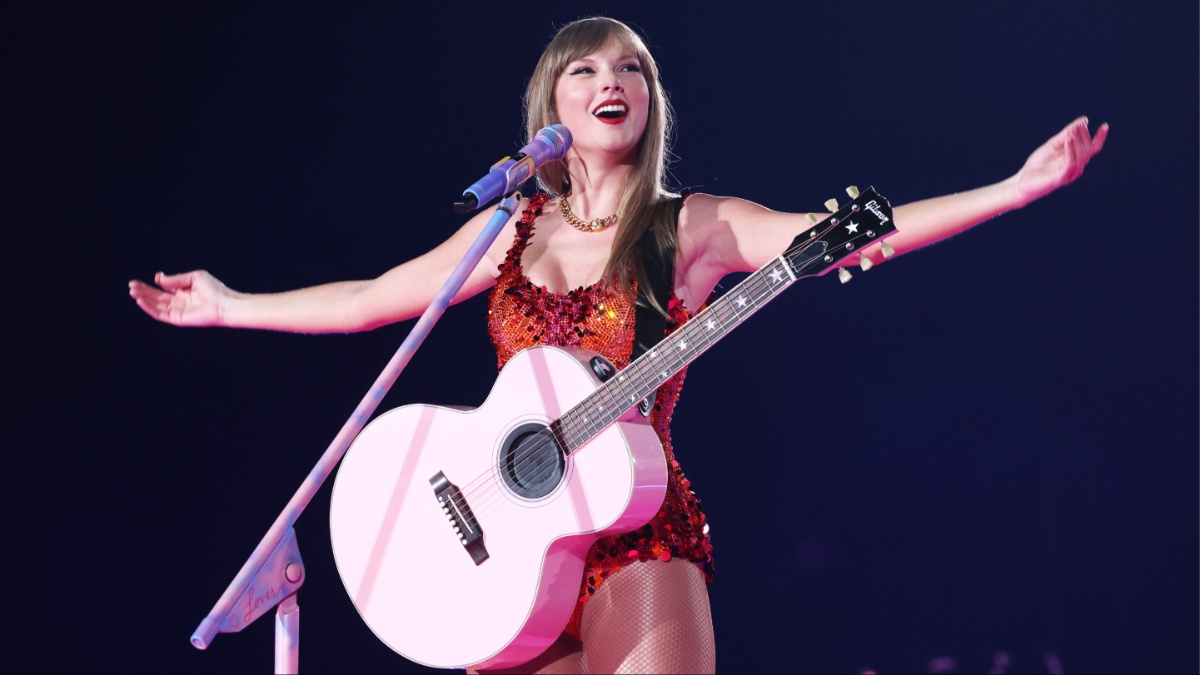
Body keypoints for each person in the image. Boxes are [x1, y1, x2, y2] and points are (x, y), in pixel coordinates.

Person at [128, 16, 1107, 675]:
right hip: (502, 551)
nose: (614, 80)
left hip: (636, 536)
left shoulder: (690, 225)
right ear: (551, 105)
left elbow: (850, 235)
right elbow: (375, 299)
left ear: (649, 102)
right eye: (588, 67)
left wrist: (1011, 189)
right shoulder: (505, 233)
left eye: (632, 67)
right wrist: (231, 305)